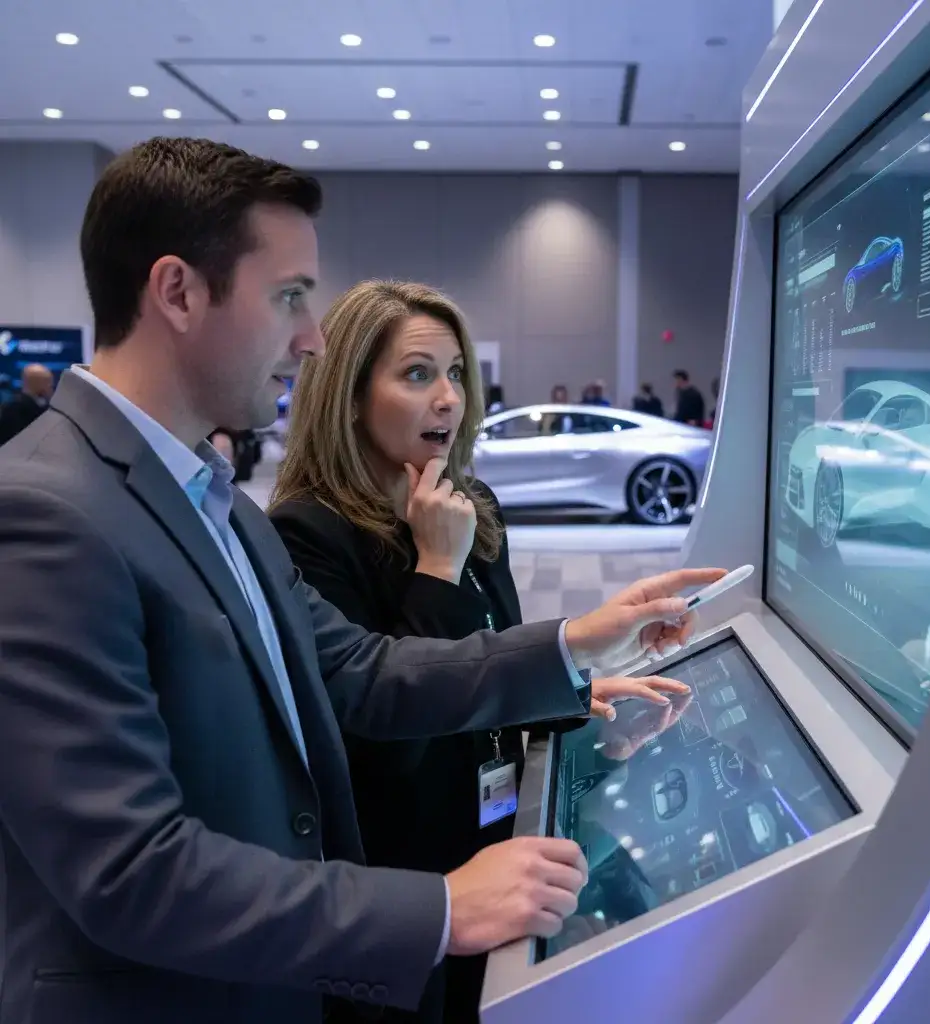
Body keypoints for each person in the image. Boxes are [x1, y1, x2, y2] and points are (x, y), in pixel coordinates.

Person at [0, 136, 724, 1024]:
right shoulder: (46, 513)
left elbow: (358, 671)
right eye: (290, 296)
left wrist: (576, 644)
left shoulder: (207, 496)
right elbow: (129, 870)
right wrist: (443, 907)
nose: (311, 339)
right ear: (178, 291)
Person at [271, 280, 560, 1021]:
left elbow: (490, 666)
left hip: (498, 839)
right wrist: (435, 568)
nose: (448, 398)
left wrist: (578, 697)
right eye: (416, 374)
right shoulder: (309, 534)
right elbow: (379, 740)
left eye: (457, 373)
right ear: (349, 394)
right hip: (403, 885)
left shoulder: (472, 506)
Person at [0, 363, 54, 445]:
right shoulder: (14, 408)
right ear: (37, 383)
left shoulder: (45, 405)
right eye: (47, 381)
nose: (51, 385)